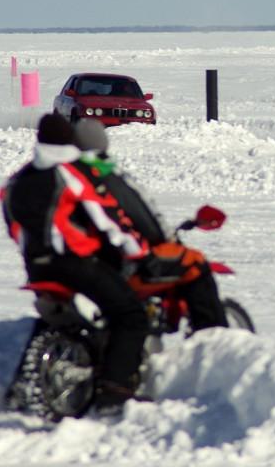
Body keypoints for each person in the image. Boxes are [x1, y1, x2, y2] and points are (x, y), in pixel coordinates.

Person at [0, 113, 150, 415]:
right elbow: (106, 216)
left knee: (52, 318)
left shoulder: (18, 179)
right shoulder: (71, 172)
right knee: (130, 314)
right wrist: (137, 248)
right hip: (74, 262)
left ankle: (21, 388)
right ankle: (115, 391)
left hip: (36, 266)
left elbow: (12, 221)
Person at [73, 119, 228, 331]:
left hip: (81, 261)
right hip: (120, 262)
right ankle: (214, 338)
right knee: (195, 263)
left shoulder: (64, 174)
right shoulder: (104, 173)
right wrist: (163, 238)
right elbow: (140, 213)